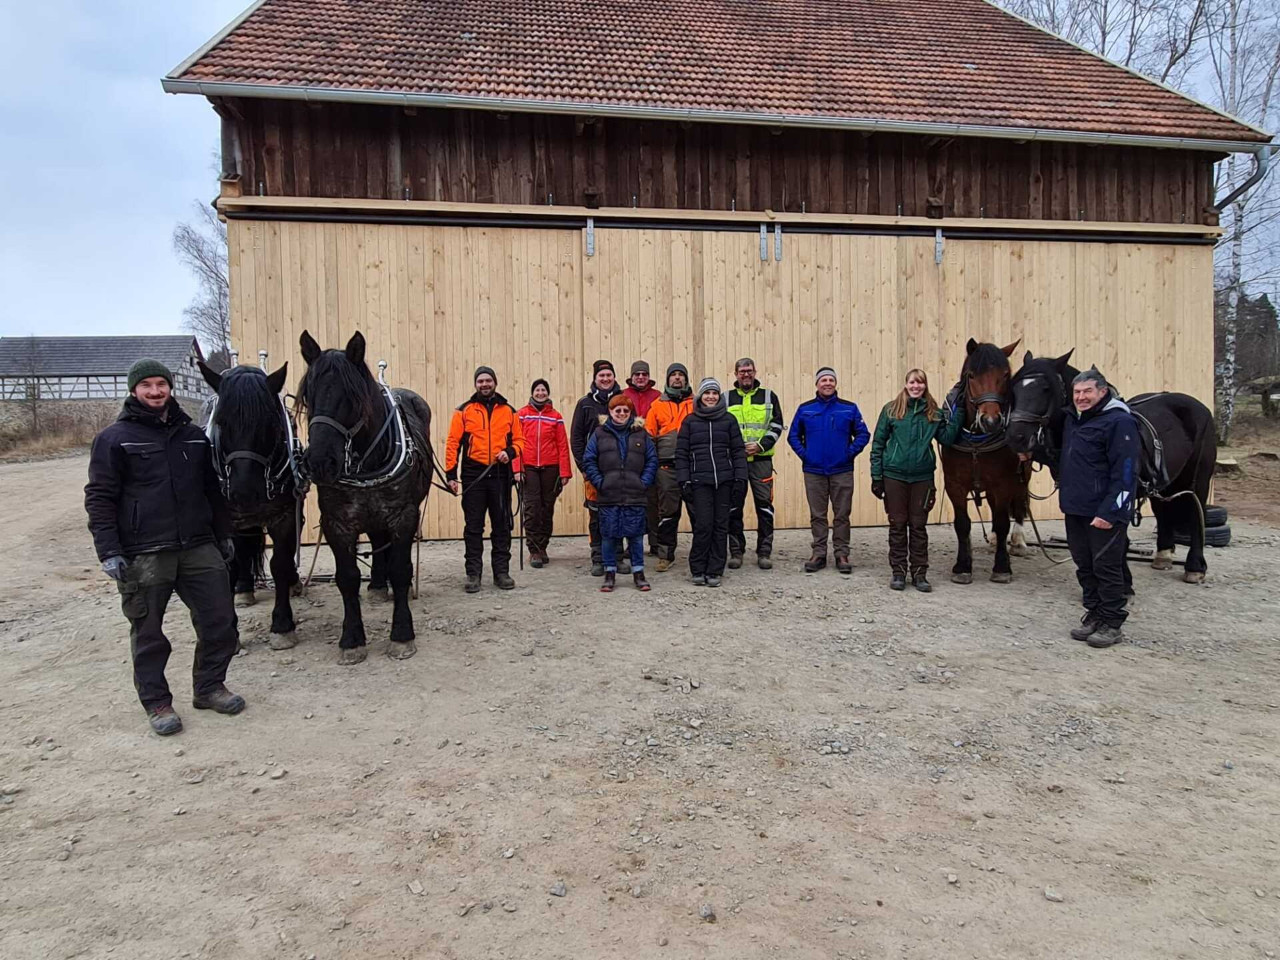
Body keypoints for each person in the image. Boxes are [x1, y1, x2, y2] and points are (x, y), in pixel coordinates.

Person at [84, 358, 244, 737]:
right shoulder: (114, 439)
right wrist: (109, 550)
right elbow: (100, 497)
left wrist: (223, 534)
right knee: (149, 632)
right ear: (134, 390)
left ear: (169, 388)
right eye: (147, 386)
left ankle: (209, 687)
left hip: (198, 546)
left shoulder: (193, 436)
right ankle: (157, 703)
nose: (155, 391)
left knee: (220, 621)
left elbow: (212, 490)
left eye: (161, 384)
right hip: (145, 552)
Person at [1058, 367, 1139, 648]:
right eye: (1077, 392)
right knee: (1084, 565)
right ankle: (1094, 613)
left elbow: (1126, 472)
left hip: (1103, 511)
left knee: (1107, 566)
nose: (1081, 397)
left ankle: (1112, 622)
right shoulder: (1075, 420)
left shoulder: (1118, 422)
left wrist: (1111, 512)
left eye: (1087, 392)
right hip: (1076, 507)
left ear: (1102, 392)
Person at [869, 369, 962, 592]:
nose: (916, 387)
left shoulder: (934, 413)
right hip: (894, 476)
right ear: (906, 384)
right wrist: (876, 476)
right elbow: (878, 444)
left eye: (920, 383)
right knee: (898, 524)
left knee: (918, 526)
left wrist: (959, 415)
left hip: (922, 477)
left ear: (925, 386)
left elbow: (947, 438)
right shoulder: (891, 410)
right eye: (912, 382)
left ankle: (920, 573)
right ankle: (898, 572)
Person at [446, 366, 525, 593]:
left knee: (501, 526)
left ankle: (502, 572)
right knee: (473, 527)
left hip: (500, 475)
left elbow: (520, 441)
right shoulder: (463, 411)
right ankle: (473, 573)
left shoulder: (509, 411)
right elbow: (453, 443)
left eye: (488, 380)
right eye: (480, 381)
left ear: (495, 382)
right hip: (473, 476)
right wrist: (451, 475)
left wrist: (510, 453)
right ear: (475, 384)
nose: (484, 384)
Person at [788, 366, 870, 574]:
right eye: (823, 380)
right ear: (816, 384)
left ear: (836, 384)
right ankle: (819, 553)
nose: (827, 383)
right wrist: (806, 455)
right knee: (818, 514)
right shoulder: (805, 409)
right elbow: (793, 436)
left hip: (841, 470)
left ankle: (842, 554)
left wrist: (848, 453)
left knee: (842, 514)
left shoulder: (848, 408)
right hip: (814, 471)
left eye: (831, 380)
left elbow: (863, 434)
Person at [676, 378, 748, 587]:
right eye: (707, 393)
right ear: (700, 397)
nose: (711, 397)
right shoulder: (690, 421)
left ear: (719, 397)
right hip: (700, 482)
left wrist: (740, 478)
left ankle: (715, 570)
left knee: (720, 526)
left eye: (714, 393)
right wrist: (684, 480)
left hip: (724, 481)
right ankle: (698, 568)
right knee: (703, 525)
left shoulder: (729, 420)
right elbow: (681, 453)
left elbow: (737, 451)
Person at [583, 393, 658, 592]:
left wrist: (644, 482)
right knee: (608, 535)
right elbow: (589, 460)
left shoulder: (641, 434)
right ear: (610, 412)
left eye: (626, 410)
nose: (622, 414)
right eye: (618, 410)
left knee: (635, 536)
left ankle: (639, 573)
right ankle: (609, 573)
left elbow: (652, 460)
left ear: (630, 412)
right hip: (609, 495)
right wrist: (600, 482)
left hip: (635, 494)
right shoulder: (599, 434)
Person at [726, 357, 785, 570]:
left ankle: (764, 552)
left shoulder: (769, 396)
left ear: (755, 371)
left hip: (761, 460)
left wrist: (761, 445)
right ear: (735, 374)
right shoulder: (726, 398)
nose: (746, 374)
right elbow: (722, 427)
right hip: (735, 462)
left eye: (749, 370)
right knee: (733, 507)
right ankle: (736, 552)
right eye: (742, 371)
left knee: (764, 507)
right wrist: (735, 447)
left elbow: (777, 424)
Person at [570, 360, 624, 576]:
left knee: (619, 511)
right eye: (601, 375)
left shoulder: (624, 401)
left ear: (614, 377)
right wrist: (583, 467)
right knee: (597, 515)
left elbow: (634, 432)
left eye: (609, 375)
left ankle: (618, 557)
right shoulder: (584, 404)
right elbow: (576, 438)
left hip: (621, 471)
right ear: (595, 378)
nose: (605, 379)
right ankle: (598, 558)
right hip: (594, 470)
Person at [513, 378, 572, 568]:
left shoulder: (555, 416)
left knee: (547, 509)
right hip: (528, 468)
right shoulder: (521, 415)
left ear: (548, 393)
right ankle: (534, 550)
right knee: (532, 509)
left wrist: (565, 472)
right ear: (532, 393)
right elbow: (515, 442)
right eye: (537, 390)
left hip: (550, 468)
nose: (540, 393)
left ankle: (543, 546)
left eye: (543, 390)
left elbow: (563, 445)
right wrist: (516, 469)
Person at [646, 362, 695, 572]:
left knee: (698, 512)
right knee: (667, 514)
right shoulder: (656, 405)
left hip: (693, 466)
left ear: (686, 379)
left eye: (680, 375)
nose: (677, 378)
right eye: (673, 375)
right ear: (667, 380)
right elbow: (649, 437)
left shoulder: (697, 403)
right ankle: (665, 555)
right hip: (666, 467)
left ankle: (701, 554)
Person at [622, 359, 662, 554]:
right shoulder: (623, 395)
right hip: (630, 453)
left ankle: (655, 541)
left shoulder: (658, 397)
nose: (640, 377)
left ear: (648, 376)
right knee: (632, 500)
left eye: (644, 374)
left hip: (653, 450)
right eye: (637, 374)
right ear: (632, 377)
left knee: (654, 501)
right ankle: (632, 544)